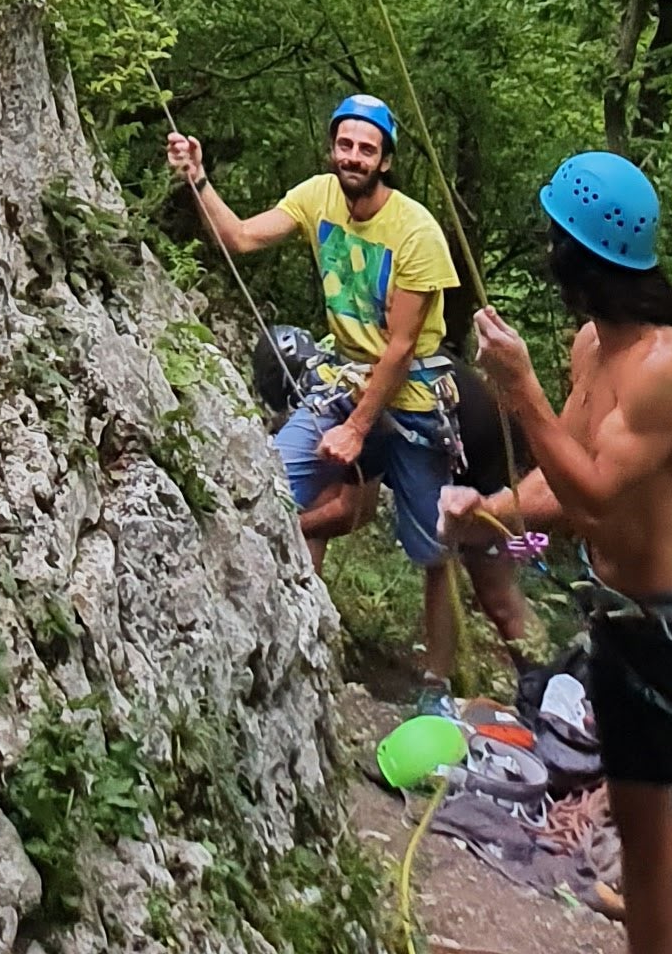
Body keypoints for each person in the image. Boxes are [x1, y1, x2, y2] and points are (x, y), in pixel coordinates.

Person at [443, 151, 672, 954]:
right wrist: (489, 515)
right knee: (646, 852)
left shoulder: (666, 366)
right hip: (621, 640)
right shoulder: (591, 349)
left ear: (575, 253)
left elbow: (601, 491)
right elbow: (559, 484)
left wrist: (521, 392)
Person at [167, 93, 533, 704]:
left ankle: (439, 684)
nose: (353, 157)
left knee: (435, 552)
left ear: (386, 159)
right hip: (344, 384)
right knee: (269, 486)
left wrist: (359, 429)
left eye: (367, 149)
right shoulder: (317, 197)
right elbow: (240, 239)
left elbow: (401, 346)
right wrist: (199, 178)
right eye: (345, 145)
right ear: (332, 148)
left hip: (413, 397)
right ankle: (283, 634)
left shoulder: (416, 230)